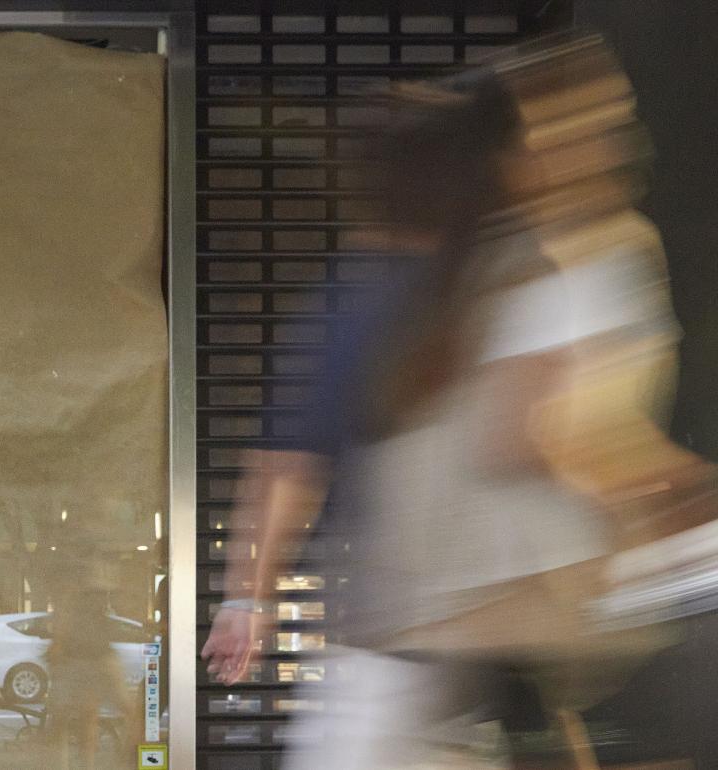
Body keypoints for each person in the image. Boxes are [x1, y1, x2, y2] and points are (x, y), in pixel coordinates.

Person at [202, 33, 713, 769]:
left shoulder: (389, 290)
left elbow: (288, 465)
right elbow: (527, 439)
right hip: (494, 647)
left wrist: (247, 602)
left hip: (425, 652)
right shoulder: (520, 271)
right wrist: (670, 509)